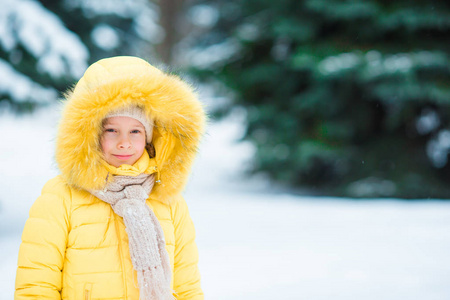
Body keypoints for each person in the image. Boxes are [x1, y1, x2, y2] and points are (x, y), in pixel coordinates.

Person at [14, 56, 205, 299]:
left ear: (149, 138)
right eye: (111, 130)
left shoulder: (168, 200)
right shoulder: (61, 197)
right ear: (92, 134)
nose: (124, 143)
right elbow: (36, 286)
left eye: (135, 131)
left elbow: (187, 288)